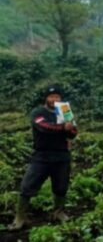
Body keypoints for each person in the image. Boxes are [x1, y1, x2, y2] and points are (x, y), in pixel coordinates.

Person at [8, 86, 78, 231]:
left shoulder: (65, 111)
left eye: (57, 97)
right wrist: (63, 128)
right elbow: (43, 127)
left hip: (62, 154)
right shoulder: (38, 112)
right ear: (46, 98)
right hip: (42, 155)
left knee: (61, 187)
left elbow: (72, 134)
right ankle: (20, 217)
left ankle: (58, 212)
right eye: (51, 97)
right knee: (28, 186)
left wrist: (71, 128)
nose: (54, 100)